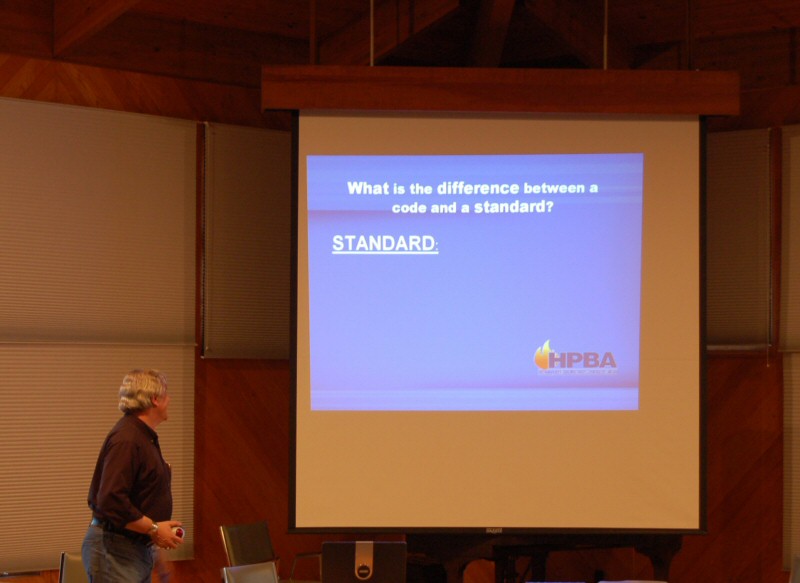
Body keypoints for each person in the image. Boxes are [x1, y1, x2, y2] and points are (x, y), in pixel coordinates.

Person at [82, 369, 184, 582]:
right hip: (115, 550)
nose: (169, 400)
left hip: (132, 549)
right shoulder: (127, 439)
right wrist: (155, 529)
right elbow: (111, 500)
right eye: (166, 395)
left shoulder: (142, 437)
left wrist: (157, 551)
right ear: (154, 399)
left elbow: (141, 500)